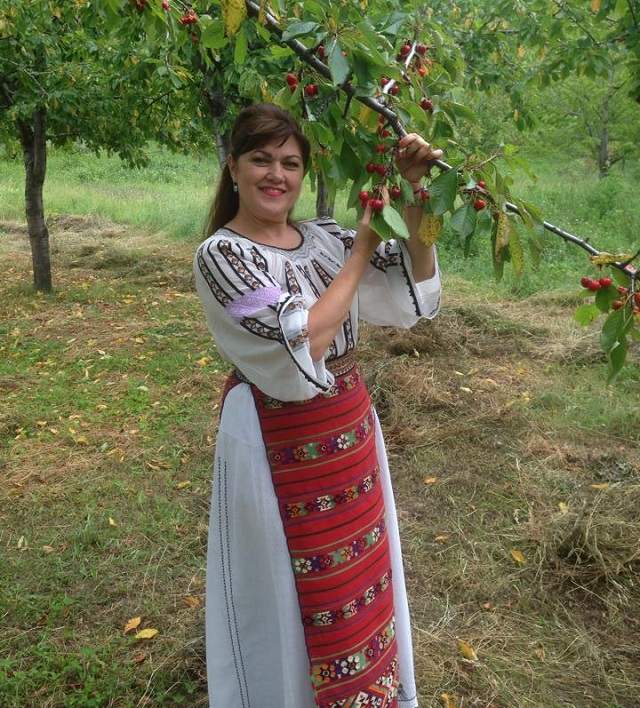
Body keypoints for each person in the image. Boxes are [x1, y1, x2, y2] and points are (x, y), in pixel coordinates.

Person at [193, 103, 443, 708]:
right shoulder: (224, 256)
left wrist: (414, 188)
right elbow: (304, 338)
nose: (276, 174)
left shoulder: (323, 237)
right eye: (261, 159)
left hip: (349, 426)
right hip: (275, 435)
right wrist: (360, 248)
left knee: (360, 576)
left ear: (303, 173)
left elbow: (415, 272)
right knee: (287, 589)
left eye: (290, 162)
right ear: (233, 168)